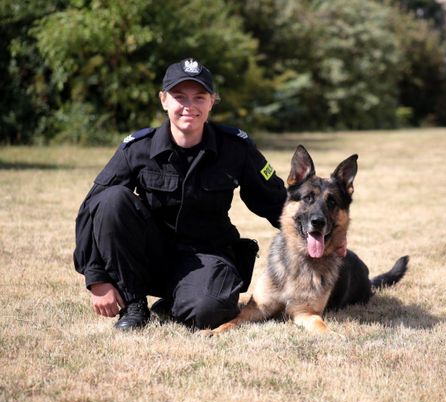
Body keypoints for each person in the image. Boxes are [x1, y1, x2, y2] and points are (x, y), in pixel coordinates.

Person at [74, 58, 346, 331]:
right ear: (163, 100)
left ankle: (175, 301)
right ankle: (134, 306)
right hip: (148, 254)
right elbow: (92, 208)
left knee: (211, 310)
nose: (189, 106)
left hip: (206, 254)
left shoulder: (235, 147)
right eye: (179, 97)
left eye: (199, 97)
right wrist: (97, 278)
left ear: (213, 101)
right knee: (112, 200)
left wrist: (322, 236)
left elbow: (276, 200)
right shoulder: (137, 148)